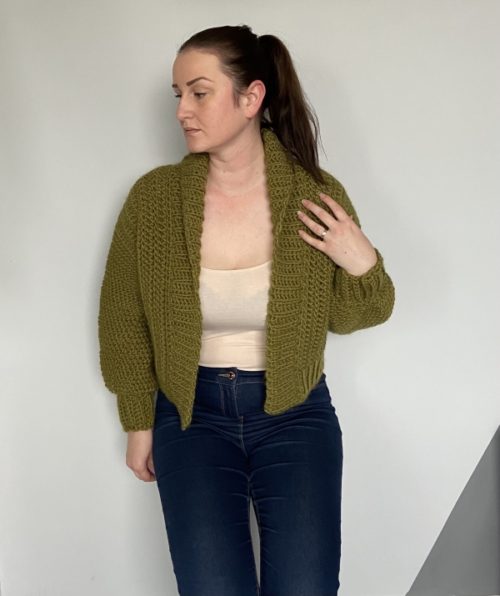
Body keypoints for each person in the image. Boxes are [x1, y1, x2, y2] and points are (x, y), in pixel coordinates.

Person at [98, 24, 395, 596]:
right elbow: (123, 319)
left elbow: (355, 315)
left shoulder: (314, 196)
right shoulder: (154, 200)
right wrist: (138, 422)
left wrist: (361, 261)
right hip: (191, 417)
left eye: (199, 92)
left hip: (295, 414)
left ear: (251, 96)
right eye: (178, 94)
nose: (182, 110)